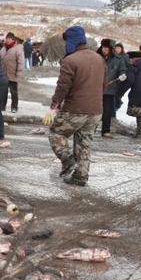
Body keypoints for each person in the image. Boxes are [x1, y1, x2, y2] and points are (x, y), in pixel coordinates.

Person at [43, 25, 106, 187]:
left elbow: (63, 86)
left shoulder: (70, 60)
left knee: (56, 133)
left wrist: (55, 102)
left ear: (72, 41)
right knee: (84, 143)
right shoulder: (99, 59)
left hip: (75, 109)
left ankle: (68, 161)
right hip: (96, 110)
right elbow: (104, 86)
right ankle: (80, 176)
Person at [96, 39, 127, 138]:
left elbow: (123, 70)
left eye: (106, 48)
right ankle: (90, 128)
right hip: (95, 88)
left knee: (107, 111)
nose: (104, 50)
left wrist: (123, 75)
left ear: (111, 49)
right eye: (103, 47)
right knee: (93, 109)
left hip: (110, 89)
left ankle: (105, 130)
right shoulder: (96, 57)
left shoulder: (118, 60)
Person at [117, 51, 141, 138]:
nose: (130, 61)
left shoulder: (134, 67)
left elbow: (128, 82)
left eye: (131, 59)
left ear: (134, 59)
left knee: (139, 111)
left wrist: (119, 94)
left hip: (138, 96)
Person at [0, 32, 24, 112]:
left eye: (8, 39)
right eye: (6, 38)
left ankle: (14, 107)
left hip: (13, 73)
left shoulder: (18, 48)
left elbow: (20, 61)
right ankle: (2, 106)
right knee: (3, 92)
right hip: (3, 74)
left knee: (14, 92)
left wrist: (19, 71)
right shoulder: (3, 48)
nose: (7, 40)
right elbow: (0, 59)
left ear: (12, 39)